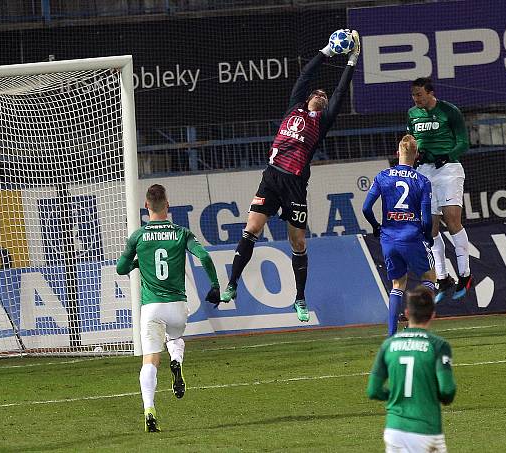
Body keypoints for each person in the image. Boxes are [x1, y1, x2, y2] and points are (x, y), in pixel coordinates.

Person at [221, 29, 361, 322]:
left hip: (296, 185)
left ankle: (299, 298)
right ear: (310, 98)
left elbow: (339, 92)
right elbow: (306, 76)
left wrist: (352, 60)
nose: (322, 95)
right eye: (318, 93)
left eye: (324, 95)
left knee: (297, 242)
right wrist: (327, 51)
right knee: (252, 228)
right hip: (272, 177)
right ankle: (232, 283)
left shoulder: (322, 122)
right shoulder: (295, 106)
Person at [117, 184, 221, 432]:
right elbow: (204, 257)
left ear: (146, 206)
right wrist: (215, 285)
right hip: (177, 306)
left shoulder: (138, 236)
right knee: (175, 337)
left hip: (151, 308)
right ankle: (176, 359)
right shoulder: (181, 232)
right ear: (168, 205)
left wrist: (135, 263)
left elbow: (120, 269)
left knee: (150, 360)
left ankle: (149, 409)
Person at [367, 286, 456, 452]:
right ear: (433, 315)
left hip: (395, 430)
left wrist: (395, 394)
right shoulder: (438, 345)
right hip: (426, 430)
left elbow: (373, 390)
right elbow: (447, 391)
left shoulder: (388, 345)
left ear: (407, 313)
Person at [362, 135, 436, 336]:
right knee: (430, 278)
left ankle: (391, 335)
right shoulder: (422, 181)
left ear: (397, 153)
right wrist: (427, 237)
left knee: (397, 284)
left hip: (389, 238)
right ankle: (416, 325)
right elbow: (427, 219)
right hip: (412, 237)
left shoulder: (382, 176)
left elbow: (366, 208)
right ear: (417, 156)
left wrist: (377, 227)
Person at [407, 77, 472, 303]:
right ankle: (443, 278)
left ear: (430, 93)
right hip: (425, 172)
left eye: (419, 95)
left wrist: (449, 154)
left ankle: (465, 274)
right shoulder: (412, 115)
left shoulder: (449, 111)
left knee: (452, 218)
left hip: (448, 169)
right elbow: (413, 142)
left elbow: (464, 142)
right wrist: (416, 155)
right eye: (414, 95)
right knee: (429, 227)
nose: (416, 99)